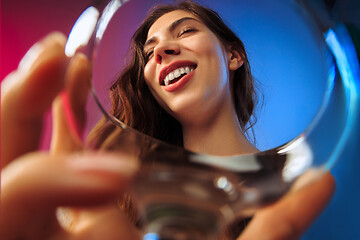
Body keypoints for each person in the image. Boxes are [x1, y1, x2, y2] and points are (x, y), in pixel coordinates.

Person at [1, 1, 335, 239]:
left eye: (186, 31)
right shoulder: (117, 206)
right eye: (149, 53)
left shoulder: (307, 187)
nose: (161, 52)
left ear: (233, 56)